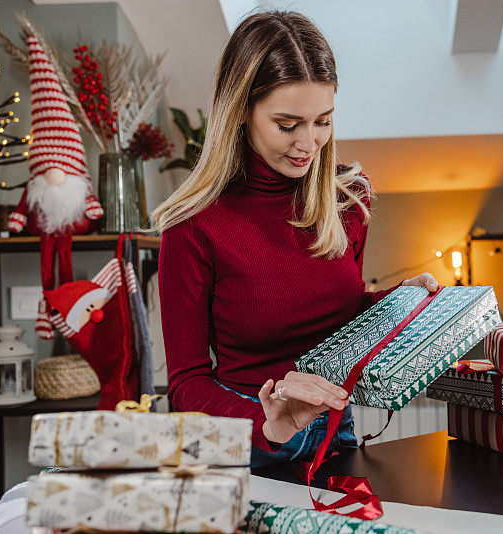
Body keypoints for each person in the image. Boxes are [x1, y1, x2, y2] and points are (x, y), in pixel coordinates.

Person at [151, 10, 438, 468]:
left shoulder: (348, 198)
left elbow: (339, 315)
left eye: (323, 120)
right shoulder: (193, 224)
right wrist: (267, 423)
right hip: (248, 443)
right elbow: (186, 383)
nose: (309, 143)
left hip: (337, 437)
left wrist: (396, 303)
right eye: (287, 125)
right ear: (242, 110)